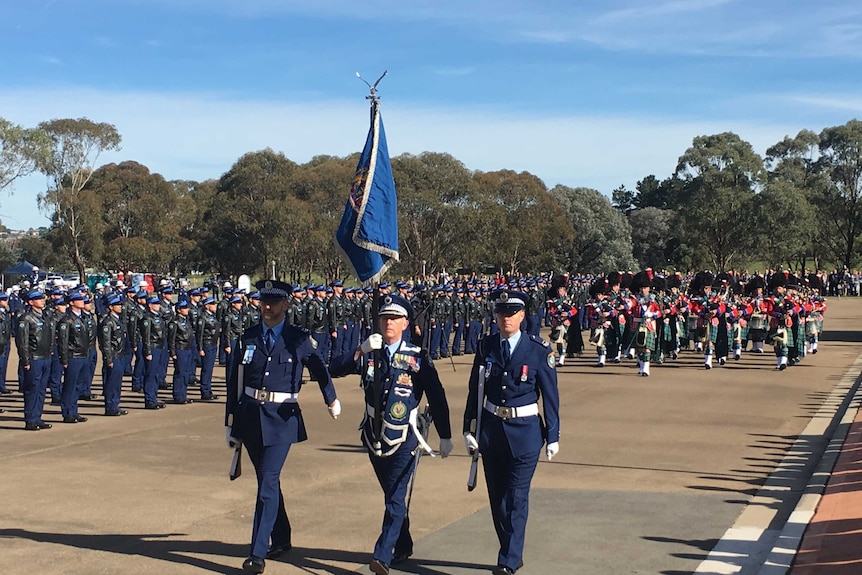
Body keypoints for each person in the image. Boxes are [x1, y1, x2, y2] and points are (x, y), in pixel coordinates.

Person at [330, 294, 453, 575]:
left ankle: (382, 556)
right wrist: (359, 350)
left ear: (406, 323)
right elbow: (333, 369)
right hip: (373, 436)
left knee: (395, 497)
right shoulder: (370, 351)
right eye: (385, 317)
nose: (389, 323)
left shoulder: (417, 357)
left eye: (395, 318)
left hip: (405, 435)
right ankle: (403, 543)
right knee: (392, 495)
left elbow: (436, 394)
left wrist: (445, 435)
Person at [224, 280, 341, 574]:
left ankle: (256, 553)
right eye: (264, 301)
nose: (267, 306)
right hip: (250, 416)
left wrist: (331, 399)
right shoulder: (247, 338)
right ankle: (282, 537)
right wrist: (230, 422)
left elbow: (319, 369)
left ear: (286, 304)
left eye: (274, 302)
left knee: (266, 484)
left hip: (282, 418)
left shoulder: (298, 339)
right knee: (268, 481)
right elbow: (233, 383)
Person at [463, 289, 560, 575]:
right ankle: (511, 550)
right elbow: (474, 391)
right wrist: (470, 427)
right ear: (495, 316)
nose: (506, 319)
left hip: (526, 433)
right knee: (499, 500)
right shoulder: (486, 347)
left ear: (522, 316)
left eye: (512, 313)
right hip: (492, 431)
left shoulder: (539, 350)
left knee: (517, 497)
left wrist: (553, 435)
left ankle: (508, 558)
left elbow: (550, 396)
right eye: (501, 313)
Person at [16, 290, 55, 430]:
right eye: (38, 299)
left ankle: (37, 417)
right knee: (32, 389)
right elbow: (22, 342)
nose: (42, 301)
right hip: (34, 358)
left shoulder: (45, 317)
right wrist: (25, 360)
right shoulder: (26, 318)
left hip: (45, 357)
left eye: (42, 298)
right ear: (31, 302)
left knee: (41, 390)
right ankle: (30, 419)